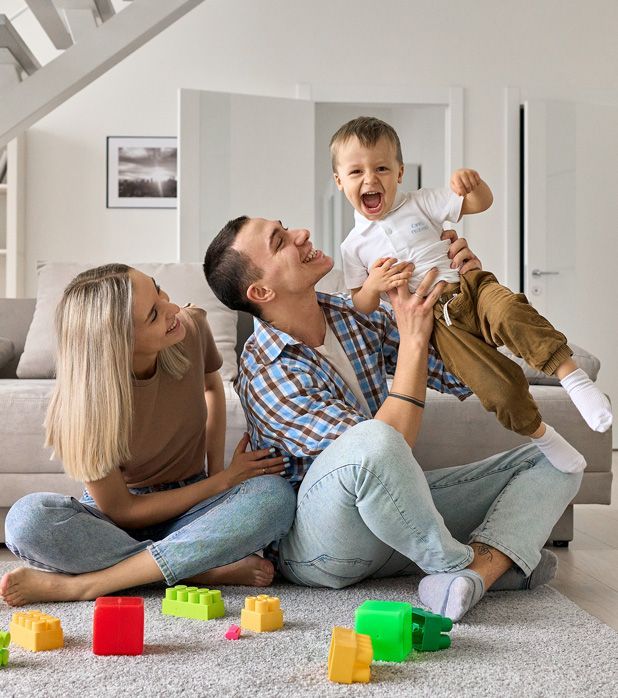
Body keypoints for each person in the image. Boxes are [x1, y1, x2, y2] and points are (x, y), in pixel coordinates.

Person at [203, 216, 583, 622]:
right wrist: (414, 340)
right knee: (373, 440)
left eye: (287, 227)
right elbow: (383, 448)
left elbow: (463, 374)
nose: (301, 235)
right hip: (321, 544)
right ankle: (464, 564)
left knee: (558, 460)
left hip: (395, 520)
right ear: (261, 290)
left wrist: (471, 293)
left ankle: (480, 571)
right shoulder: (265, 370)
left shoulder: (352, 315)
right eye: (280, 241)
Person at [1, 264, 295, 607]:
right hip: (116, 523)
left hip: (191, 504)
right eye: (154, 315)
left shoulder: (190, 327)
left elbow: (212, 387)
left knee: (275, 496)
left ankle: (91, 582)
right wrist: (220, 483)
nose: (173, 309)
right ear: (118, 345)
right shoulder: (83, 408)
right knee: (26, 520)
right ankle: (194, 569)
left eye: (159, 291)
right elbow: (123, 511)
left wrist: (218, 474)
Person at [330, 116, 612, 474]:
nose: (370, 179)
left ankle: (573, 379)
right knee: (493, 385)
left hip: (469, 287)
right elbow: (360, 302)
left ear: (399, 173)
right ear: (339, 182)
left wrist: (473, 184)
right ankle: (544, 437)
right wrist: (372, 285)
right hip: (439, 325)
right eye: (356, 172)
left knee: (512, 312)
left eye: (382, 168)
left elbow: (480, 203)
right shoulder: (353, 246)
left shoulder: (422, 202)